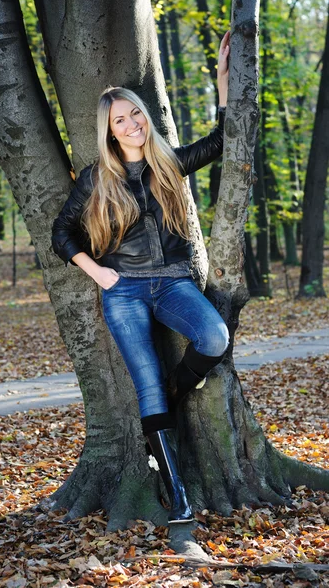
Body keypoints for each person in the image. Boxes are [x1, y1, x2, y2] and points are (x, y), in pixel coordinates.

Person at [52, 32, 231, 524]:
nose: (130, 124)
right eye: (119, 120)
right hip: (124, 288)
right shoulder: (95, 179)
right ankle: (176, 491)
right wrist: (97, 272)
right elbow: (62, 231)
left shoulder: (166, 163)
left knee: (214, 336)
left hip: (173, 281)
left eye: (135, 114)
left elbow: (221, 140)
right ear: (109, 131)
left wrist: (222, 83)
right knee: (145, 384)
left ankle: (178, 388)